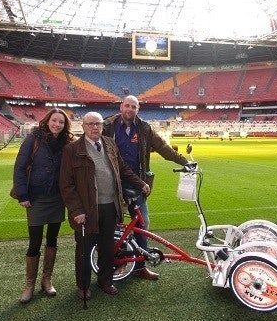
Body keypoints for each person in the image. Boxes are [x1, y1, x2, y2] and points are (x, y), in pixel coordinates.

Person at [60, 111, 150, 300]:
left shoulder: (109, 143)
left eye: (98, 124)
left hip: (110, 206)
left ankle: (105, 281)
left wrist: (140, 183)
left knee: (108, 247)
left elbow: (123, 168)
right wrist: (76, 210)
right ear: (83, 127)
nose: (95, 127)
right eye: (90, 124)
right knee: (84, 249)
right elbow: (66, 184)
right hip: (87, 210)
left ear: (102, 126)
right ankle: (83, 286)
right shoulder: (73, 149)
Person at [102, 95, 189, 280]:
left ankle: (139, 267)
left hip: (137, 184)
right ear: (121, 106)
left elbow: (163, 148)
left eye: (134, 107)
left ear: (138, 109)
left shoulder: (144, 128)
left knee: (142, 223)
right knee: (116, 226)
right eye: (127, 106)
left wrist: (185, 161)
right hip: (112, 183)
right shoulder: (108, 126)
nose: (130, 109)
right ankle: (119, 263)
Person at [12, 108, 74, 304]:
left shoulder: (67, 142)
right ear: (47, 121)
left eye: (61, 122)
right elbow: (20, 167)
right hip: (36, 197)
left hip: (57, 197)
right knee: (34, 242)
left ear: (65, 126)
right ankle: (29, 284)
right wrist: (23, 194)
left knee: (53, 239)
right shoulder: (34, 139)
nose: (57, 124)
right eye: (55, 120)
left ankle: (47, 279)